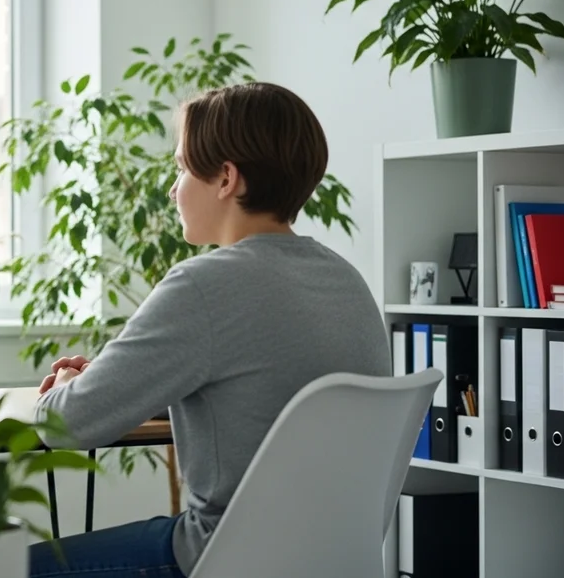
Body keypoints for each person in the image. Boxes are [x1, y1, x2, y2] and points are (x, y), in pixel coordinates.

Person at [27, 82, 391, 578]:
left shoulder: (204, 285)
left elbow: (64, 425)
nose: (173, 188)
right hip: (332, 560)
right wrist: (136, 380)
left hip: (220, 558)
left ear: (226, 178)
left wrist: (70, 386)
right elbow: (260, 393)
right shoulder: (347, 282)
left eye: (181, 167)